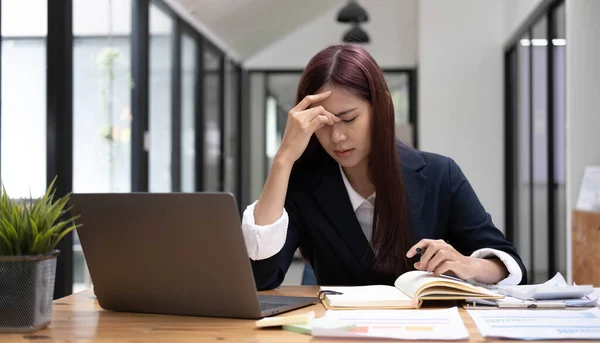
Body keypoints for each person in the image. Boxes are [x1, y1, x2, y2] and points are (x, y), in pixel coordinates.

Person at [241, 44, 527, 291]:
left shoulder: (441, 175)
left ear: (381, 108)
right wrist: (283, 159)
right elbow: (261, 277)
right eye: (324, 124)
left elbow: (510, 266)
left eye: (349, 119)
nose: (337, 137)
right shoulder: (304, 183)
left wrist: (469, 265)